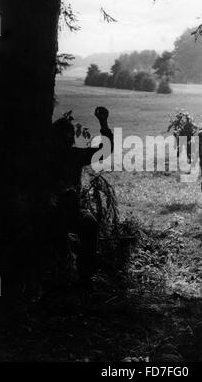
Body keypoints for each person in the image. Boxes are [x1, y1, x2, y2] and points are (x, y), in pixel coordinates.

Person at [50, 106, 114, 281]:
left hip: (66, 211)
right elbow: (105, 151)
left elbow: (104, 151)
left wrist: (103, 122)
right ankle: (82, 276)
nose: (68, 140)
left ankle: (84, 275)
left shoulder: (71, 156)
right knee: (88, 224)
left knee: (89, 224)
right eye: (65, 136)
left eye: (68, 136)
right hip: (50, 211)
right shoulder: (61, 156)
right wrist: (103, 122)